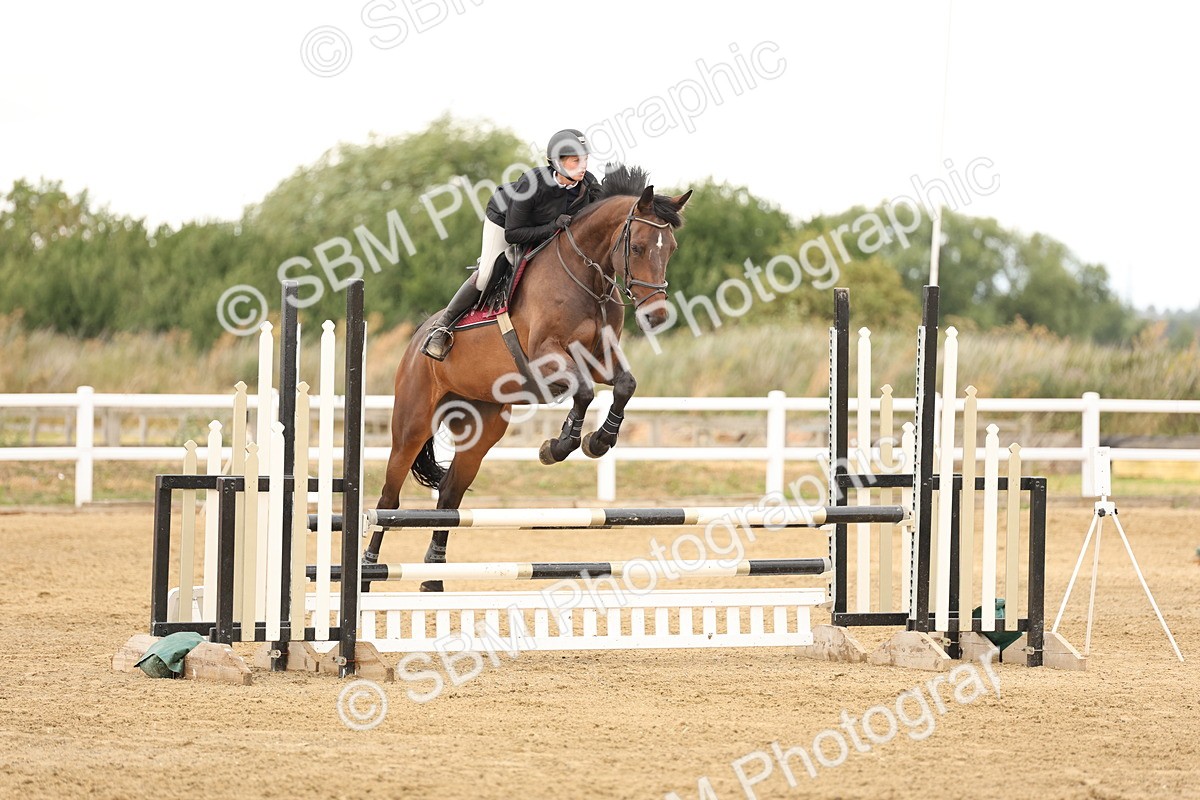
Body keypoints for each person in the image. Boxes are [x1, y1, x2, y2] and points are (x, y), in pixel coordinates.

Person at [420, 129, 602, 361]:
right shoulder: (533, 184)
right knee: (487, 273)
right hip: (505, 221)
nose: (583, 165)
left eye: (585, 159)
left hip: (546, 229)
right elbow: (514, 233)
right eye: (576, 160)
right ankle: (442, 327)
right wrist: (553, 227)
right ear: (558, 163)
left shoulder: (588, 184)